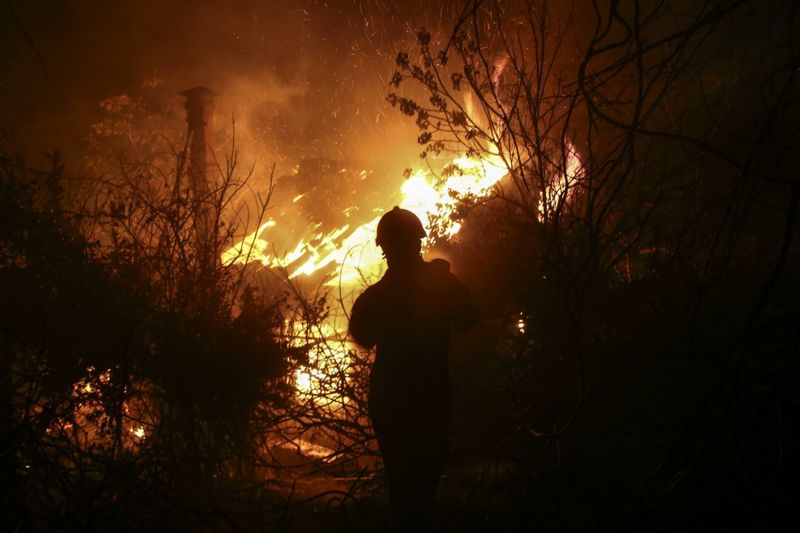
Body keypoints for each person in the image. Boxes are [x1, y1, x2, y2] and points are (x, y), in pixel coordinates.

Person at [349, 206, 478, 531]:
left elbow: (361, 336)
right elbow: (470, 318)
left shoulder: (375, 297)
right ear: (417, 242)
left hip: (391, 399)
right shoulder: (439, 285)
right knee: (426, 478)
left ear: (384, 249)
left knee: (402, 480)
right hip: (431, 395)